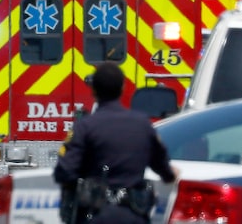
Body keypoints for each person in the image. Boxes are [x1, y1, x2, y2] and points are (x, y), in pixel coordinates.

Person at [53, 62, 178, 224]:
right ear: (122, 89)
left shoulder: (84, 127)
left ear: (94, 90)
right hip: (133, 216)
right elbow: (166, 172)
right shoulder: (143, 125)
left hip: (95, 216)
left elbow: (63, 172)